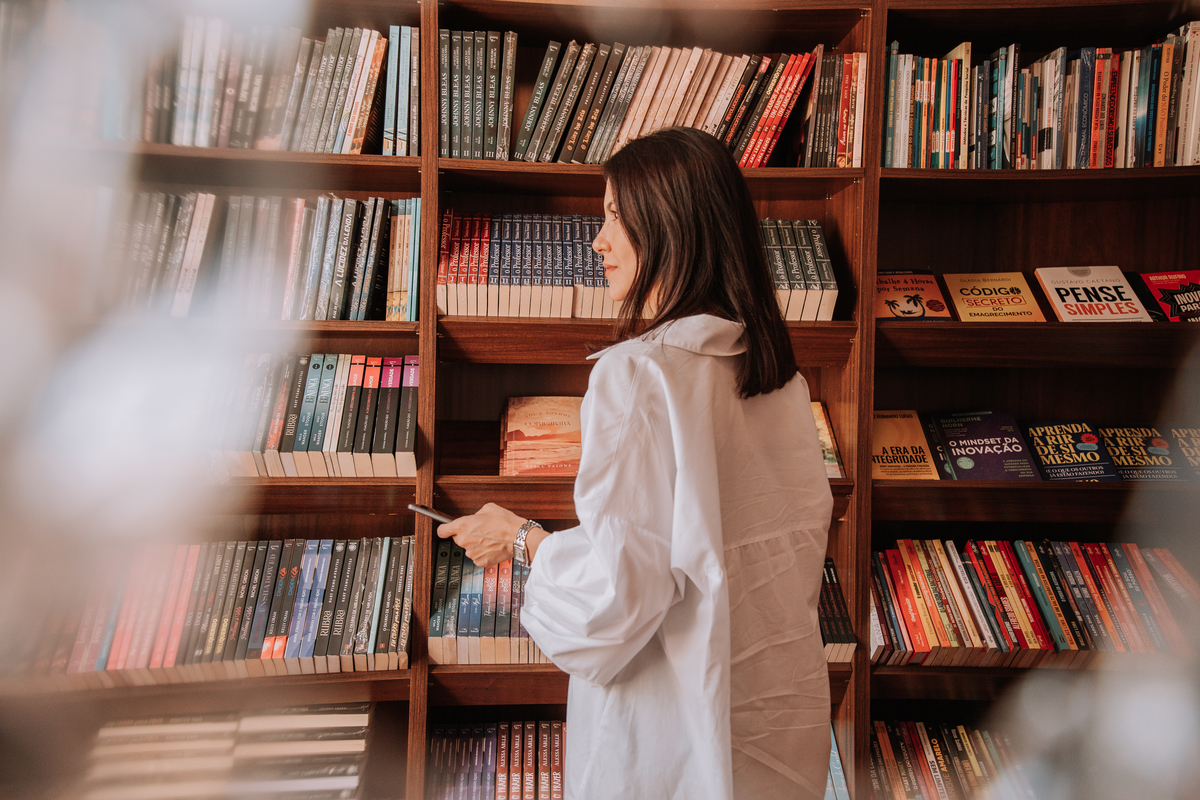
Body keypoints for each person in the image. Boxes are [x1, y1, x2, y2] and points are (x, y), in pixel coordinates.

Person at [437, 126, 833, 800]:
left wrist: (522, 538)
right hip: (773, 721)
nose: (598, 242)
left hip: (669, 737)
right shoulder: (781, 381)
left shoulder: (640, 375)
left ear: (672, 227)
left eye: (616, 218)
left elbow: (620, 599)